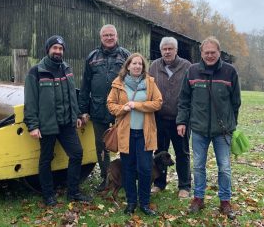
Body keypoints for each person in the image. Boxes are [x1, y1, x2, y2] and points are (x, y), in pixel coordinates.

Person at [176, 36, 241, 219]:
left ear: (219, 52)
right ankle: (198, 198)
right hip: (198, 130)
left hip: (222, 131)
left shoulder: (230, 72)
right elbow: (184, 100)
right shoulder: (192, 71)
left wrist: (231, 124)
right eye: (207, 52)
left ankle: (225, 201)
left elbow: (236, 102)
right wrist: (182, 121)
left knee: (225, 167)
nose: (210, 55)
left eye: (213, 52)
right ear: (201, 53)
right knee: (198, 166)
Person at [24, 35, 91, 206]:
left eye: (60, 49)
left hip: (66, 123)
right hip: (47, 125)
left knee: (76, 153)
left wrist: (75, 115)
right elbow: (30, 102)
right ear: (48, 50)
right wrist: (32, 125)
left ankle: (73, 192)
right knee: (46, 159)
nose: (58, 51)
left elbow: (71, 96)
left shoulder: (67, 69)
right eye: (55, 48)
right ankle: (48, 195)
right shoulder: (36, 72)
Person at [107, 53, 163, 216]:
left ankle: (144, 203)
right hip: (126, 134)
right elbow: (110, 104)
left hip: (145, 134)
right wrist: (122, 108)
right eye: (134, 63)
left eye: (140, 64)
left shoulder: (150, 83)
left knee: (145, 169)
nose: (137, 66)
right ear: (128, 66)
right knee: (129, 169)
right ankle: (131, 202)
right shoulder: (118, 84)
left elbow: (158, 103)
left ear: (143, 67)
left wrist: (137, 105)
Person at [78, 24, 130, 191]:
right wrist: (83, 110)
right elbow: (85, 86)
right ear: (101, 38)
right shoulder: (92, 57)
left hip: (121, 110)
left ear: (117, 36)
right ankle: (106, 178)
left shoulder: (126, 56)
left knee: (124, 144)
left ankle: (125, 177)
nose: (109, 38)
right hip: (98, 109)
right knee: (102, 145)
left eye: (112, 35)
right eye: (106, 35)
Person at [149, 37, 192, 199]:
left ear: (176, 50)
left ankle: (184, 186)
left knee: (182, 153)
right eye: (164, 49)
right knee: (160, 152)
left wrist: (185, 118)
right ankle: (159, 183)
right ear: (161, 51)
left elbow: (190, 93)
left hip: (180, 119)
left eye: (170, 49)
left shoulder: (187, 66)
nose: (167, 52)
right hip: (159, 118)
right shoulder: (154, 66)